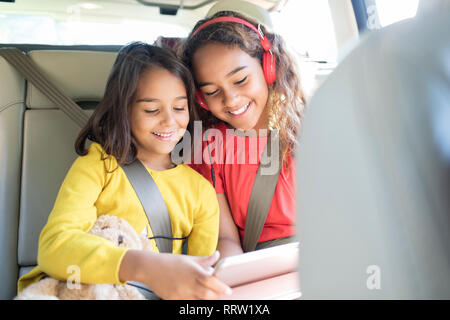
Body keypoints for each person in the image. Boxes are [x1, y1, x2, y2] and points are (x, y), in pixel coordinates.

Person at [18, 42, 231, 300]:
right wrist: (145, 267)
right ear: (123, 109)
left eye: (179, 108)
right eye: (151, 109)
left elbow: (198, 281)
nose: (169, 121)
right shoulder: (99, 166)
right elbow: (55, 245)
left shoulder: (200, 192)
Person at [181, 10, 305, 258]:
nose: (231, 99)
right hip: (260, 268)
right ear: (200, 99)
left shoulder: (313, 128)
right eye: (212, 92)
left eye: (240, 80)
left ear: (269, 67)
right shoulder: (207, 149)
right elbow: (225, 239)